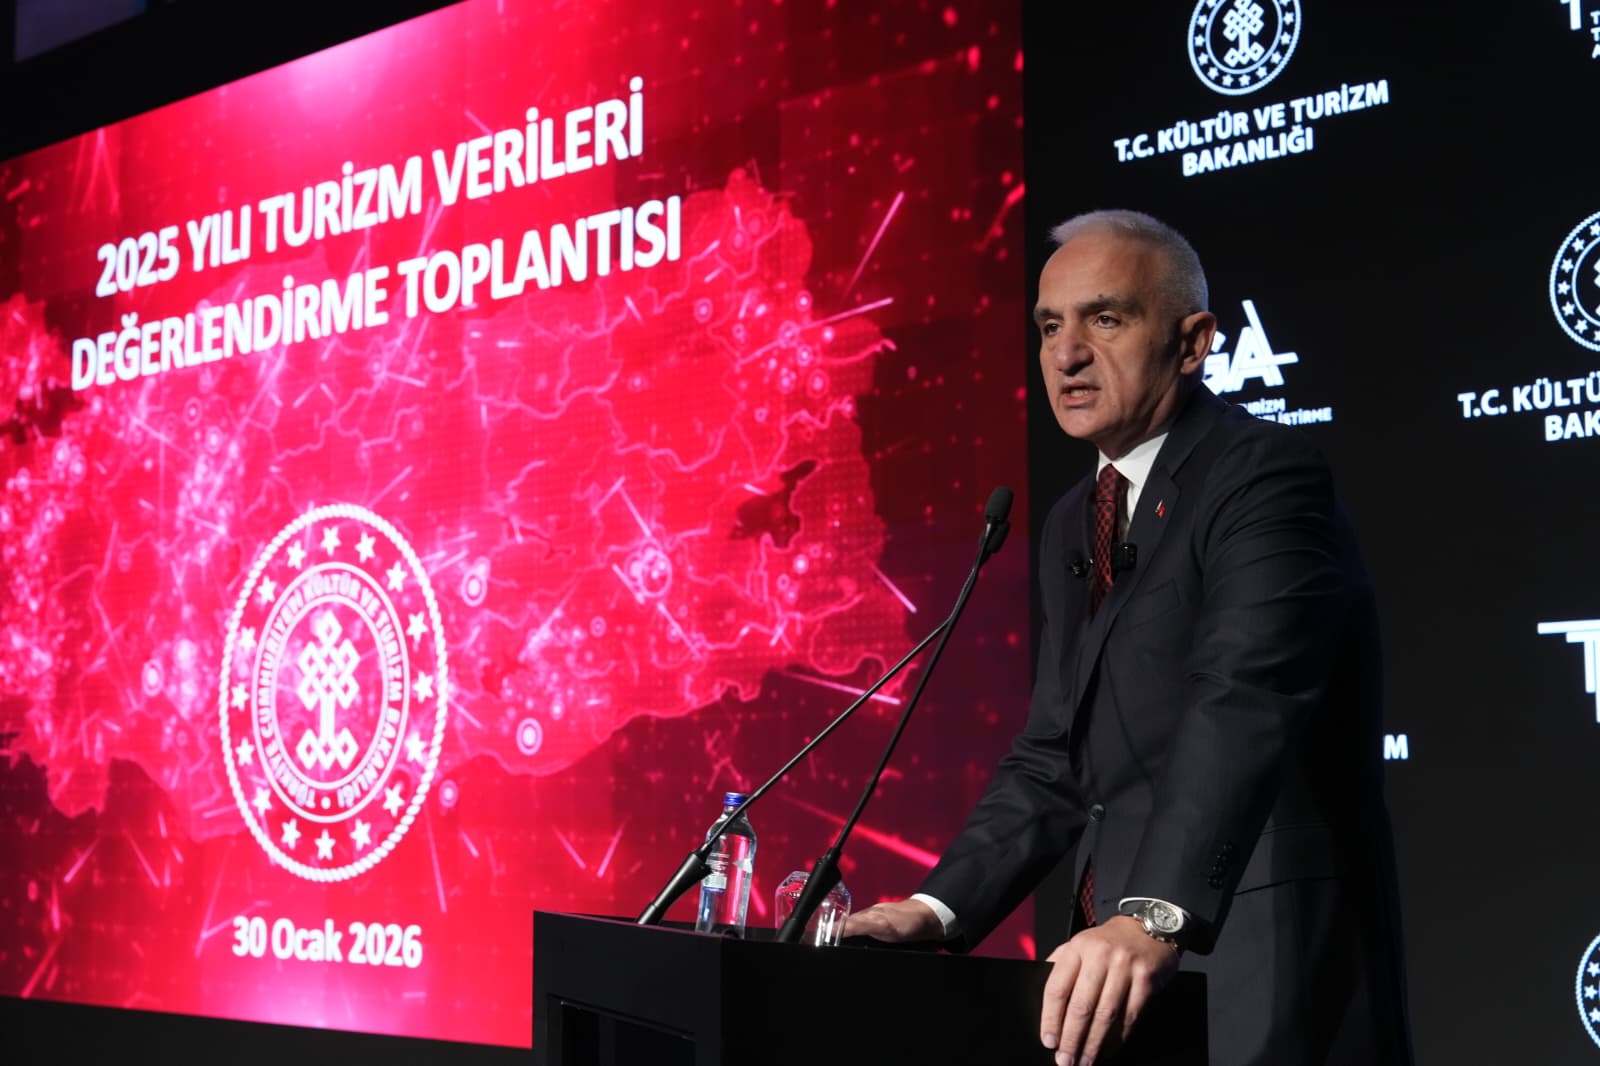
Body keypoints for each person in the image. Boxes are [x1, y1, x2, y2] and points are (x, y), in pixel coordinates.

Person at [843, 210, 1411, 1065]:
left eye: (1104, 319)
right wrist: (936, 909)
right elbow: (1054, 757)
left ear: (1193, 344)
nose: (1067, 354)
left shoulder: (1263, 474)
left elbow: (1245, 694)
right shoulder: (1075, 519)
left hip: (1261, 955)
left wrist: (1154, 914)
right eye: (1049, 327)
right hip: (1110, 977)